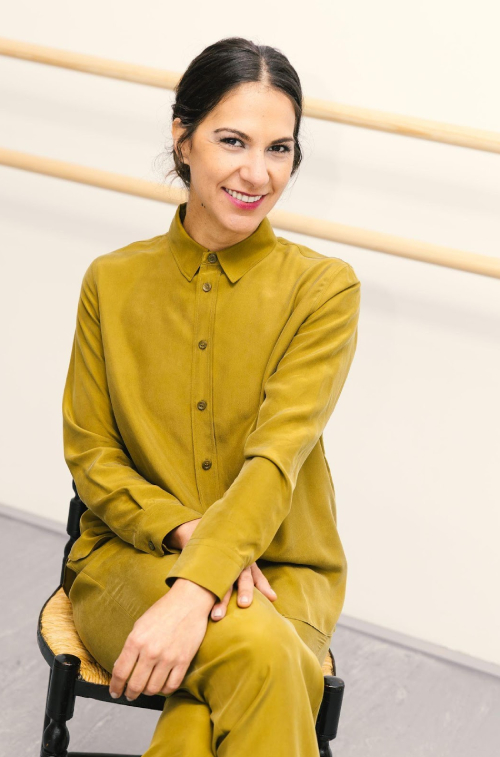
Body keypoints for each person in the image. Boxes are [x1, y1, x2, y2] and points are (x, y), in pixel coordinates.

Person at [61, 36, 361, 757]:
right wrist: (187, 537)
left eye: (279, 148)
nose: (258, 173)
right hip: (130, 563)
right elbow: (92, 454)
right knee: (260, 652)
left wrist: (195, 592)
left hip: (283, 574)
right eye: (233, 141)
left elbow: (275, 460)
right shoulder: (111, 281)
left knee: (218, 694)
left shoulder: (324, 290)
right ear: (183, 137)